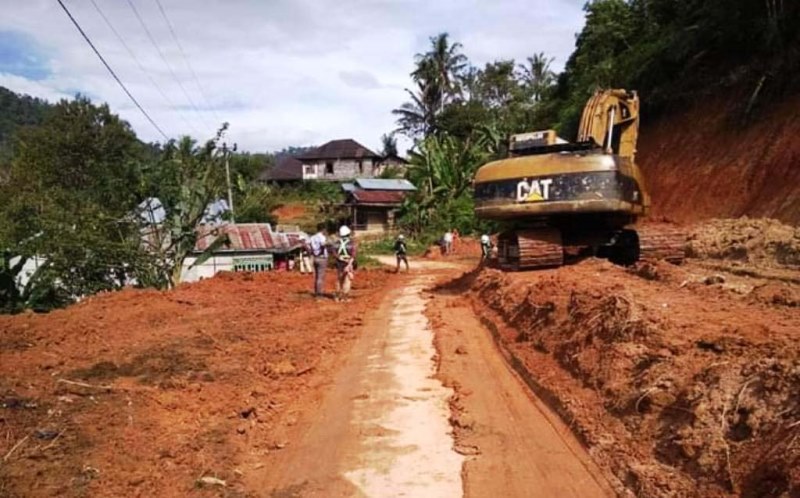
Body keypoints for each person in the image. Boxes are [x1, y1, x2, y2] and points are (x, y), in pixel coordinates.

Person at [309, 223, 329, 297]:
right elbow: (323, 245)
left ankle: (316, 291)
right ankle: (319, 293)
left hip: (315, 257)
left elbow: (310, 247)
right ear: (323, 229)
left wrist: (314, 253)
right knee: (320, 277)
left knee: (317, 276)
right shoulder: (322, 237)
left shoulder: (312, 237)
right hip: (322, 257)